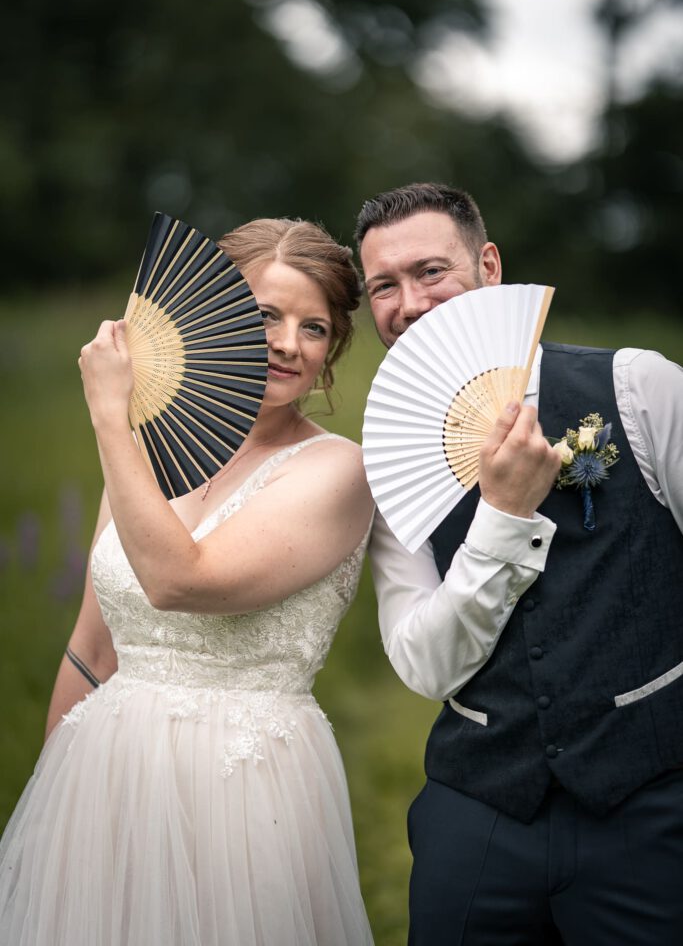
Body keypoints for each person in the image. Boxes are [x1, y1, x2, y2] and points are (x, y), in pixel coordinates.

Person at [0, 217, 375, 946]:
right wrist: (52, 806)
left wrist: (109, 417)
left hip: (242, 794)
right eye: (266, 315)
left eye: (314, 327)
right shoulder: (149, 453)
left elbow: (180, 581)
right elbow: (93, 650)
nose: (287, 344)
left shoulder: (338, 471)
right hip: (103, 780)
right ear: (215, 316)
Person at [356, 182, 683, 945]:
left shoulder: (637, 388)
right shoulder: (388, 462)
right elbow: (424, 665)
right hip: (478, 811)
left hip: (655, 803)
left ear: (489, 266)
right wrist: (501, 519)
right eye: (383, 286)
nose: (409, 303)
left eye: (430, 271)